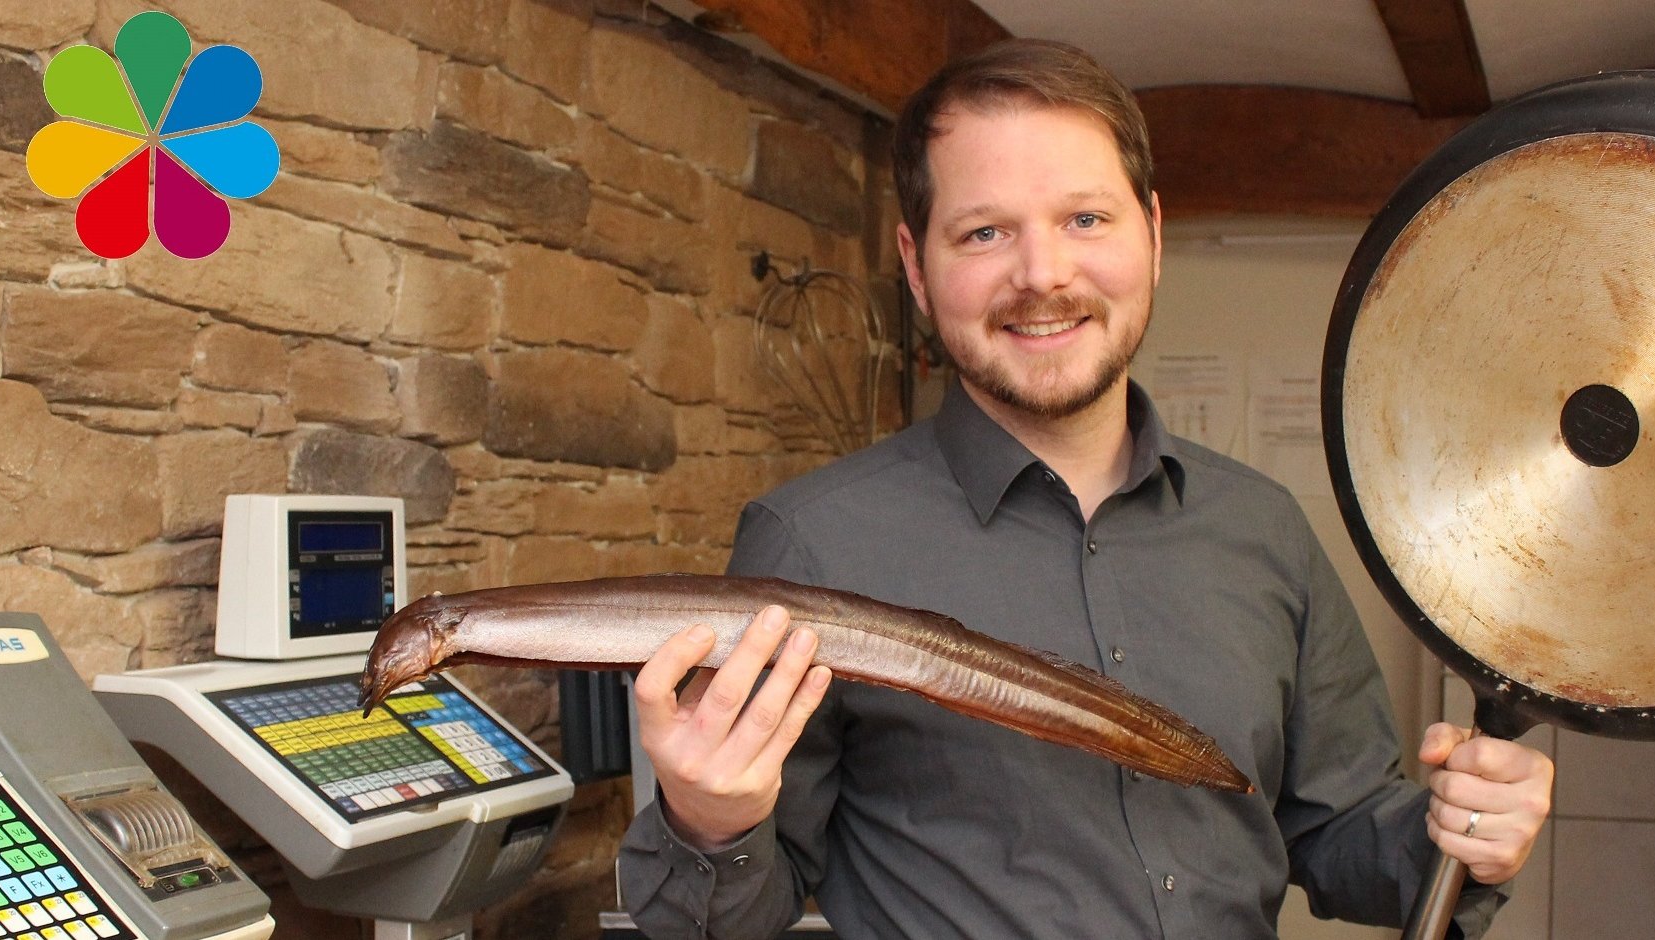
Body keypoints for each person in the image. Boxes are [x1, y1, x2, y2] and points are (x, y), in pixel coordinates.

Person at [618, 38, 1553, 939]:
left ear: (1150, 234)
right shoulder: (813, 543)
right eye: (984, 232)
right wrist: (708, 820)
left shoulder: (1264, 530)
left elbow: (1342, 839)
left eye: (1084, 219)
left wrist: (1462, 833)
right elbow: (717, 919)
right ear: (915, 264)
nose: (1043, 275)